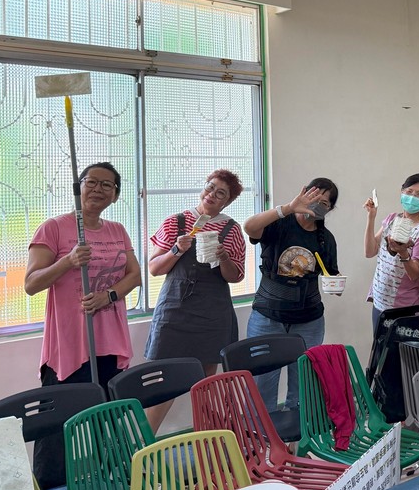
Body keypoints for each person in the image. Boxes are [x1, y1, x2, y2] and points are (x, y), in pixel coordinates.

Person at [24, 161, 140, 489]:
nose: (98, 189)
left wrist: (109, 296)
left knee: (108, 425)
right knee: (57, 432)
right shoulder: (54, 228)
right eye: (92, 182)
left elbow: (134, 275)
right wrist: (69, 260)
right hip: (69, 347)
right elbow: (31, 284)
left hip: (109, 343)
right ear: (79, 187)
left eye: (107, 185)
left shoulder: (117, 230)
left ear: (115, 195)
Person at [145, 170, 247, 432]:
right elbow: (154, 268)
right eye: (210, 187)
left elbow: (236, 276)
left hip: (213, 312)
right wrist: (177, 249)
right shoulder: (175, 222)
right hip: (174, 309)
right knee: (164, 382)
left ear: (227, 202)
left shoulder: (232, 229)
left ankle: (207, 443)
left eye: (220, 193)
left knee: (204, 384)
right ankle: (141, 446)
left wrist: (224, 257)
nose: (212, 195)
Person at [245, 178, 339, 413]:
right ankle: (264, 433)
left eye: (324, 203)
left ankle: (298, 431)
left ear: (330, 209)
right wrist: (287, 208)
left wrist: (336, 284)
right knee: (262, 382)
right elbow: (249, 227)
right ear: (303, 194)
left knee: (304, 383)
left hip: (309, 320)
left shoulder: (326, 239)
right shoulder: (279, 224)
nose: (317, 205)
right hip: (268, 317)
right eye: (314, 197)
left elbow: (331, 274)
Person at [364, 173, 419, 334]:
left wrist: (403, 253)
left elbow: (415, 274)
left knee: (400, 350)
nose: (412, 197)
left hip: (404, 308)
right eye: (409, 192)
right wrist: (371, 217)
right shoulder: (392, 219)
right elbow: (370, 251)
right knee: (380, 348)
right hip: (380, 301)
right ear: (402, 191)